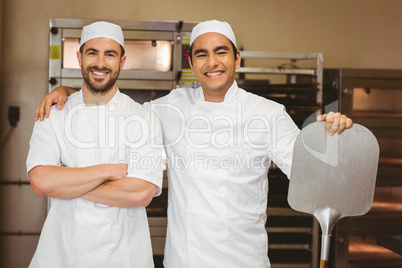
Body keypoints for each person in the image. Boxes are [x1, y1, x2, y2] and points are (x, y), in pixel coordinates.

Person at [35, 20, 352, 268]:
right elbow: (113, 107)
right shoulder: (172, 107)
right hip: (183, 261)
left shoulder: (268, 114)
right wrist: (68, 93)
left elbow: (312, 177)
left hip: (244, 261)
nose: (212, 62)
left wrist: (334, 137)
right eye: (201, 54)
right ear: (191, 62)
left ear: (236, 58)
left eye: (221, 51)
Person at [27, 21, 163, 268]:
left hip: (124, 257)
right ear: (79, 58)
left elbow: (141, 193)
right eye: (92, 52)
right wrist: (107, 171)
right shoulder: (54, 113)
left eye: (110, 54)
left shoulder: (143, 118)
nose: (100, 63)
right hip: (62, 254)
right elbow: (41, 182)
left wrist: (66, 181)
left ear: (121, 62)